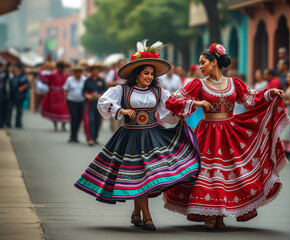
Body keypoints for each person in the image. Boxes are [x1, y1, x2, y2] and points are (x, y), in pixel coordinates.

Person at [74, 40, 200, 231]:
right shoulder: (121, 90)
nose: (149, 77)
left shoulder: (159, 92)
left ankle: (137, 213)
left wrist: (180, 117)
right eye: (146, 73)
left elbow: (169, 109)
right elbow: (103, 102)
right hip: (130, 138)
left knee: (145, 176)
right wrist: (121, 111)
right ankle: (146, 217)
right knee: (139, 176)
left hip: (152, 137)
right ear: (137, 74)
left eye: (151, 74)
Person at [163, 43, 289, 229]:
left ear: (214, 63)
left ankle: (220, 214)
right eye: (200, 63)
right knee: (209, 173)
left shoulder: (234, 83)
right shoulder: (198, 84)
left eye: (203, 62)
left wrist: (270, 93)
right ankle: (211, 214)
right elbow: (172, 100)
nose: (200, 66)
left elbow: (251, 98)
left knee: (228, 173)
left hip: (229, 133)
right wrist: (197, 103)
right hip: (207, 133)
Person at [39, 60, 71, 131]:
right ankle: (60, 126)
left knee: (61, 110)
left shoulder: (57, 75)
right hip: (60, 95)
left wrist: (41, 70)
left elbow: (44, 78)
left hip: (57, 95)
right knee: (60, 110)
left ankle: (58, 126)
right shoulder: (64, 75)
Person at [82, 62, 107, 146]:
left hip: (99, 103)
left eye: (97, 69)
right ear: (91, 71)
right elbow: (83, 91)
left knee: (97, 121)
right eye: (93, 70)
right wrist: (87, 95)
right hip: (89, 103)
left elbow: (105, 91)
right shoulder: (87, 81)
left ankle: (95, 137)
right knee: (90, 120)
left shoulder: (102, 81)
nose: (95, 71)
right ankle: (90, 138)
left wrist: (101, 95)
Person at [63, 65, 86, 143]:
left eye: (79, 71)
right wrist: (64, 99)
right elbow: (65, 89)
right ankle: (72, 136)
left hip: (82, 101)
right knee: (74, 118)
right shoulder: (69, 79)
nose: (78, 73)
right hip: (72, 101)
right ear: (74, 72)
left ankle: (75, 136)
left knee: (79, 119)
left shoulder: (84, 79)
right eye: (76, 71)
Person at [6, 62, 30, 128]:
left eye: (16, 68)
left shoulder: (22, 76)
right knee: (9, 110)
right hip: (12, 95)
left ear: (19, 69)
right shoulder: (12, 75)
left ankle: (18, 123)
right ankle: (8, 123)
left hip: (19, 95)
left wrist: (22, 88)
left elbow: (27, 84)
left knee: (19, 110)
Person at [0, 58, 9, 128]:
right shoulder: (3, 74)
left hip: (3, 95)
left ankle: (2, 123)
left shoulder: (6, 74)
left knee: (3, 110)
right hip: (2, 94)